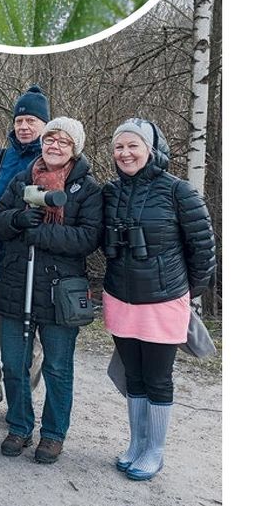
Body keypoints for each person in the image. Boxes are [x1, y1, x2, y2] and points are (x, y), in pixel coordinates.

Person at [102, 120, 216, 481]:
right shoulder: (110, 192)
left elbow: (204, 250)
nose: (125, 153)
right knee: (133, 375)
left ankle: (155, 450)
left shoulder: (177, 191)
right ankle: (136, 444)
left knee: (157, 378)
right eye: (119, 147)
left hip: (163, 302)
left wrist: (183, 291)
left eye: (133, 146)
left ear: (151, 148)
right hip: (121, 297)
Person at [0, 117, 102, 464]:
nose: (54, 146)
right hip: (16, 285)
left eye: (63, 142)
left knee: (57, 367)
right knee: (13, 362)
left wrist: (40, 234)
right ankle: (19, 426)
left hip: (60, 292)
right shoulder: (22, 179)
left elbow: (88, 238)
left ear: (75, 148)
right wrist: (17, 221)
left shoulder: (88, 189)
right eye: (50, 139)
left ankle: (53, 434)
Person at [0, 84, 50, 425]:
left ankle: (23, 397)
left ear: (44, 125)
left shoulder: (50, 160)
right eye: (20, 119)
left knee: (27, 341)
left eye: (31, 120)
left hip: (31, 265)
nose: (24, 126)